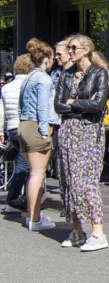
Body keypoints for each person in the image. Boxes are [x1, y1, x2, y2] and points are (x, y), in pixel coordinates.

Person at [55, 34, 109, 251]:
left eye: (74, 48)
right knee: (67, 180)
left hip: (89, 131)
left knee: (85, 181)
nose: (70, 51)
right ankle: (77, 230)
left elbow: (97, 105)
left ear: (86, 50)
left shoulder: (99, 74)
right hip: (68, 130)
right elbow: (58, 105)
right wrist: (80, 104)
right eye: (69, 48)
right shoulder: (66, 75)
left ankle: (98, 232)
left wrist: (73, 102)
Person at [18, 39, 56, 231]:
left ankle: (33, 216)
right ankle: (35, 218)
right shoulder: (44, 79)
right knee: (38, 174)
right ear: (47, 58)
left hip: (24, 124)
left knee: (33, 173)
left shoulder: (28, 78)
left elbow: (21, 104)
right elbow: (43, 107)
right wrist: (44, 132)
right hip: (35, 126)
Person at [3, 54, 33, 212]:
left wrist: (2, 130)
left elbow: (2, 111)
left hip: (12, 128)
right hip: (25, 127)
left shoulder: (7, 87)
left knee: (24, 164)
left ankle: (23, 198)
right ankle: (13, 200)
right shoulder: (29, 84)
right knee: (24, 166)